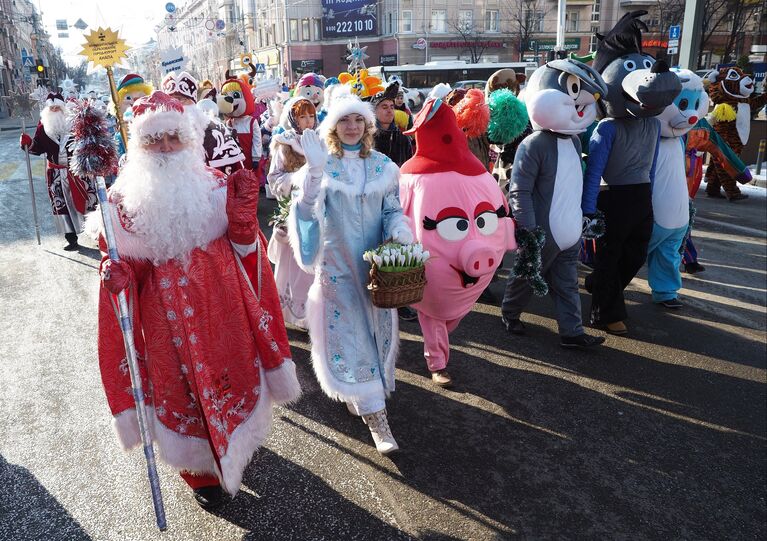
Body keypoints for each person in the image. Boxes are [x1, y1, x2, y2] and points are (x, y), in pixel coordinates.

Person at [89, 92, 301, 509]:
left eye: (173, 138)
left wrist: (243, 223)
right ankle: (197, 471)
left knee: (232, 378)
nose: (165, 148)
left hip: (224, 312)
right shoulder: (120, 208)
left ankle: (234, 447)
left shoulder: (217, 188)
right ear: (139, 147)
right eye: (154, 141)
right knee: (180, 388)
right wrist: (117, 274)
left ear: (189, 141)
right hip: (166, 322)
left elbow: (248, 254)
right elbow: (129, 273)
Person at [288, 88, 413, 454]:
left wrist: (400, 231)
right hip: (338, 270)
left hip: (378, 271)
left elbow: (392, 210)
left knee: (375, 339)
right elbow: (307, 212)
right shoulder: (324, 166)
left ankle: (363, 398)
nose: (353, 126)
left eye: (359, 119)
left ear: (369, 124)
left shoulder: (384, 167)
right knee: (354, 341)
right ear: (333, 126)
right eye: (345, 119)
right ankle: (378, 421)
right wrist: (312, 173)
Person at [501, 59, 607, 348]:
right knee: (525, 274)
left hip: (569, 229)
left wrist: (583, 216)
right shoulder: (533, 144)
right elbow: (519, 189)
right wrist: (528, 228)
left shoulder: (573, 141)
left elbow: (575, 182)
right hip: (542, 230)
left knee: (567, 283)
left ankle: (572, 332)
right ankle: (509, 312)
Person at [20, 93, 97, 250]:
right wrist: (27, 144)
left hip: (76, 170)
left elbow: (87, 143)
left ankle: (97, 233)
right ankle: (71, 239)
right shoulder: (42, 128)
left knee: (88, 200)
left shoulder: (75, 125)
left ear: (63, 109)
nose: (55, 110)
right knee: (61, 206)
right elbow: (37, 148)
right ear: (47, 110)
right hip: (55, 174)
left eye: (58, 107)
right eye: (51, 108)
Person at [266, 97, 318, 329]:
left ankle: (313, 313)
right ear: (293, 119)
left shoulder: (321, 140)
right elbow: (274, 179)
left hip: (317, 213)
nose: (308, 122)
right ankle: (293, 313)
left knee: (313, 266)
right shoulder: (284, 144)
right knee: (293, 264)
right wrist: (299, 179)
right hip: (293, 213)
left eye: (311, 116)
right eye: (302, 117)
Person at [370, 81, 418, 322]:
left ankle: (399, 299)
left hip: (397, 198)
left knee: (397, 247)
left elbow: (408, 167)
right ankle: (374, 290)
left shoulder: (402, 138)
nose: (389, 110)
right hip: (372, 200)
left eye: (391, 106)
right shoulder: (368, 138)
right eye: (383, 106)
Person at [161, 70, 245, 175]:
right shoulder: (160, 134)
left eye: (180, 99)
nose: (176, 106)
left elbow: (236, 175)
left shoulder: (215, 129)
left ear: (192, 102)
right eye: (170, 101)